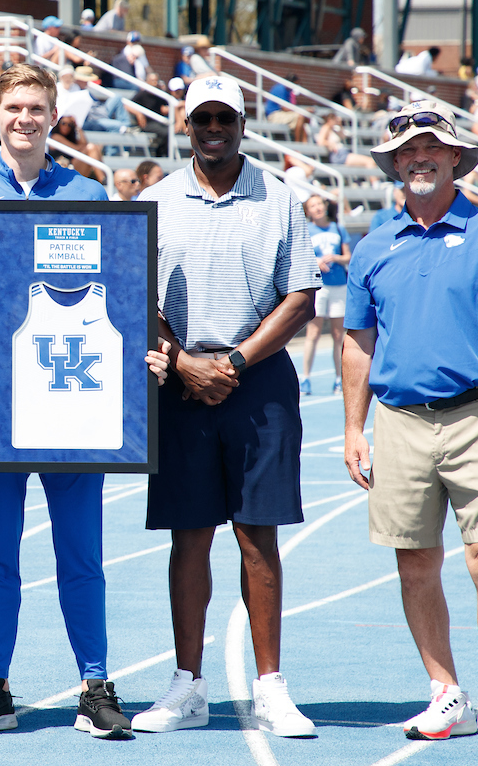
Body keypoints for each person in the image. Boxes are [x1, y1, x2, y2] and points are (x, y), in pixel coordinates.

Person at [0, 64, 134, 740]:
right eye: (14, 105)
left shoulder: (89, 191)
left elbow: (123, 288)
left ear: (55, 115)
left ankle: (96, 684)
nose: (24, 117)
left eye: (37, 107)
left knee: (82, 552)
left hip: (74, 401)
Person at [343, 98, 478, 755]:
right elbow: (357, 344)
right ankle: (444, 690)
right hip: (399, 419)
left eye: (431, 148)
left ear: (456, 156)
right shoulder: (372, 246)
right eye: (406, 151)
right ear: (393, 164)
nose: (419, 158)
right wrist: (353, 427)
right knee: (415, 564)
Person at [131, 76, 320, 738]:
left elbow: (299, 297)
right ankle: (188, 686)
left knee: (257, 536)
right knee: (189, 537)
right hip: (181, 380)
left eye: (226, 117)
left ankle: (269, 686)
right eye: (202, 117)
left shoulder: (280, 198)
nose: (214, 126)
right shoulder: (154, 201)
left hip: (257, 380)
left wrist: (233, 364)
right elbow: (136, 299)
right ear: (185, 125)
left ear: (243, 122)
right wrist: (184, 362)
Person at [299, 195, 351, 395]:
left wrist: (336, 258)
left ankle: (339, 378)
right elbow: (301, 257)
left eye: (319, 203)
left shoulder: (338, 228)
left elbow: (348, 256)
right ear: (308, 210)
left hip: (339, 286)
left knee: (339, 335)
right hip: (318, 287)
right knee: (313, 333)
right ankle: (306, 378)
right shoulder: (306, 230)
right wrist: (317, 262)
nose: (317, 208)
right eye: (312, 205)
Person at [50, 114, 103, 180]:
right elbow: (76, 148)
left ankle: (102, 179)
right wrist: (84, 146)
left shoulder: (71, 138)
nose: (66, 126)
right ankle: (102, 179)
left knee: (93, 148)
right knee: (91, 147)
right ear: (58, 124)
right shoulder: (55, 137)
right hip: (64, 167)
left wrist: (77, 127)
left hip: (73, 167)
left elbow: (84, 144)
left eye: (70, 125)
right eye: (63, 123)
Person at [265, 75, 309, 143]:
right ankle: (297, 144)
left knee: (304, 119)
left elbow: (290, 107)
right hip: (274, 114)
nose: (296, 86)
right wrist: (303, 110)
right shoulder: (280, 88)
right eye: (296, 84)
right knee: (300, 116)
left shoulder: (288, 91)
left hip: (282, 113)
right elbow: (285, 108)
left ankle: (304, 143)